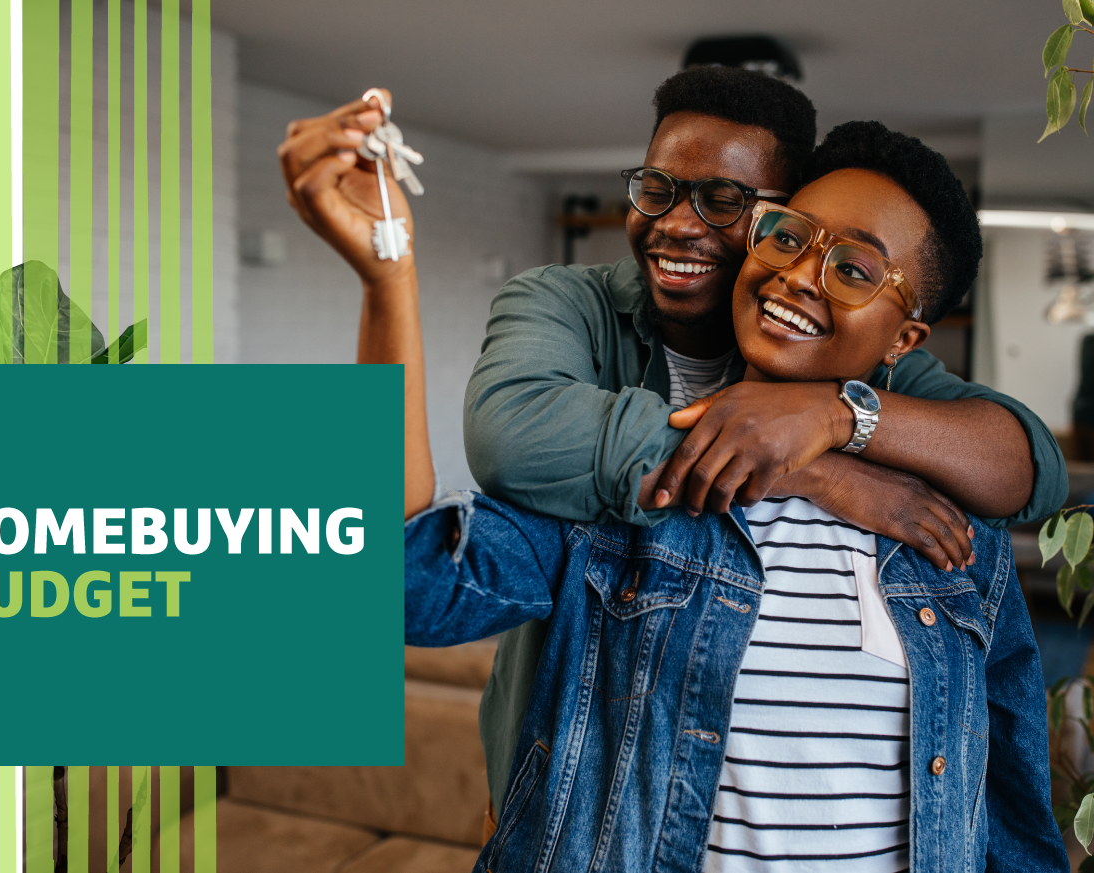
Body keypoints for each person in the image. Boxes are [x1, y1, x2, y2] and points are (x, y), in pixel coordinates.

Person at [281, 102, 1066, 870]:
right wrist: (388, 279)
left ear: (904, 340)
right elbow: (388, 584)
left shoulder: (949, 537)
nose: (796, 274)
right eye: (787, 237)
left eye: (852, 268)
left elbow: (1008, 813)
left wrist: (828, 418)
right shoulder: (632, 497)